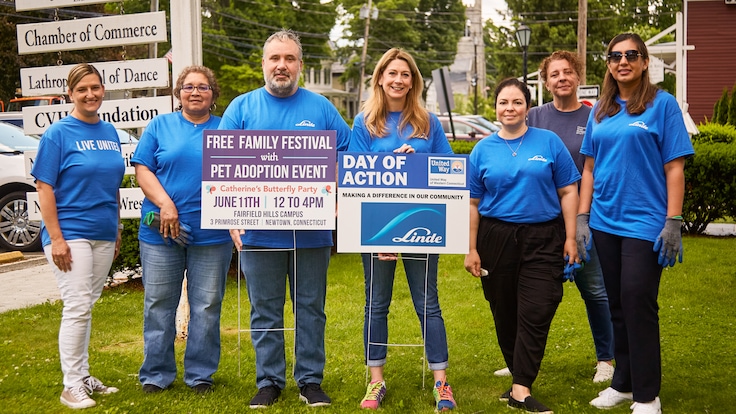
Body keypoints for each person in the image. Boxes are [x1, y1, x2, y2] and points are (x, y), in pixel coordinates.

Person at [218, 29, 350, 408]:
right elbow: (224, 169)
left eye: (289, 58)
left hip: (312, 232)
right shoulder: (241, 108)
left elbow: (346, 155)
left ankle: (310, 380)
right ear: (263, 63)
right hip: (258, 233)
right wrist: (230, 219)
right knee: (265, 310)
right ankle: (269, 381)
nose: (281, 65)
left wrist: (338, 195)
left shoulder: (322, 109)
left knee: (311, 307)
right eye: (275, 58)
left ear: (300, 65)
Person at [579, 33, 694, 414]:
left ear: (645, 62)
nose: (622, 61)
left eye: (631, 55)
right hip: (604, 222)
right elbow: (590, 169)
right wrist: (582, 218)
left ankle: (648, 395)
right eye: (615, 56)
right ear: (608, 63)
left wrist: (673, 221)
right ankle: (624, 383)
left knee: (637, 302)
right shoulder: (600, 109)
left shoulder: (662, 105)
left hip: (645, 222)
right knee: (616, 305)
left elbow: (675, 167)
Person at [348, 48, 457, 412]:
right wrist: (377, 235)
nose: (398, 80)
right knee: (376, 304)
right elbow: (354, 179)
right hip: (376, 230)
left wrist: (421, 160)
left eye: (405, 74)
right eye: (392, 73)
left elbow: (448, 170)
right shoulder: (364, 122)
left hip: (421, 225)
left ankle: (442, 382)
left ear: (414, 81)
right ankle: (375, 381)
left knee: (428, 304)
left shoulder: (428, 122)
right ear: (380, 77)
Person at [464, 78, 580, 414]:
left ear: (527, 107)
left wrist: (570, 237)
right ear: (495, 107)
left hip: (544, 236)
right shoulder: (482, 149)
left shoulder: (549, 142)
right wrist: (471, 248)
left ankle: (520, 388)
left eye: (517, 102)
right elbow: (472, 204)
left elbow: (568, 191)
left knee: (538, 306)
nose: (509, 108)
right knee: (504, 311)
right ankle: (519, 377)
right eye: (503, 102)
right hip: (495, 237)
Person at [133, 66, 233, 395]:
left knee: (206, 306)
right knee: (159, 302)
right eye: (188, 86)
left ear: (213, 96)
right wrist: (165, 204)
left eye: (203, 87)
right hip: (161, 231)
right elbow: (143, 169)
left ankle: (200, 375)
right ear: (179, 93)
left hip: (212, 235)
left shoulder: (226, 129)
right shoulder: (160, 126)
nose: (195, 92)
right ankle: (156, 375)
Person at [31, 63, 125, 409]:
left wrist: (117, 230)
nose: (90, 95)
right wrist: (55, 237)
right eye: (82, 89)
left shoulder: (110, 131)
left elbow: (113, 185)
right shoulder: (58, 133)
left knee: (87, 305)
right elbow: (45, 186)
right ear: (71, 94)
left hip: (103, 232)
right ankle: (70, 385)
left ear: (103, 90)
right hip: (70, 233)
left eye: (96, 88)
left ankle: (82, 375)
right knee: (77, 306)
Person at [527, 50, 615, 383]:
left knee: (594, 290)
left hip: (583, 220)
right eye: (554, 74)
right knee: (534, 293)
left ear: (579, 77)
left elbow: (600, 169)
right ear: (545, 81)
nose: (561, 78)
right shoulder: (534, 117)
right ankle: (521, 357)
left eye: (568, 72)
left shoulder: (596, 116)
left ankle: (606, 359)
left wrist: (585, 218)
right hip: (540, 221)